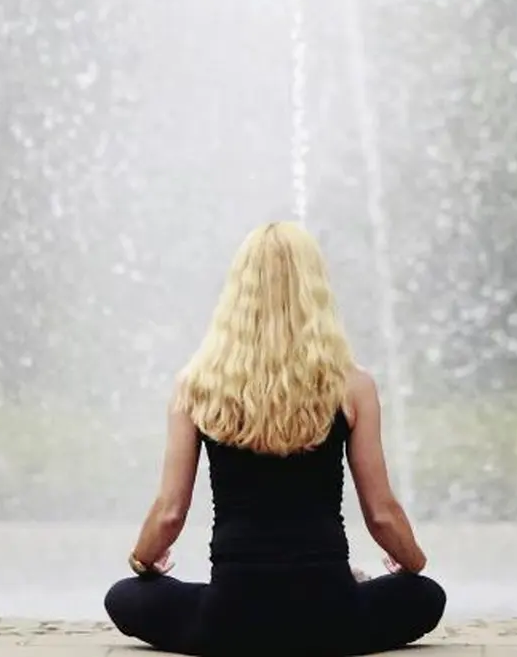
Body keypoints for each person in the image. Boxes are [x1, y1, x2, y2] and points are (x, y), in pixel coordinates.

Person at [104, 221, 445, 657]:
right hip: (331, 616)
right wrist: (411, 565)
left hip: (230, 618)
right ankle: (355, 590)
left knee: (124, 595)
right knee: (426, 595)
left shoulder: (196, 384)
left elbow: (170, 513)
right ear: (315, 289)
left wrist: (142, 562)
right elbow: (381, 513)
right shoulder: (353, 386)